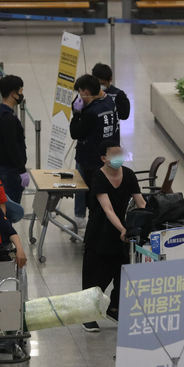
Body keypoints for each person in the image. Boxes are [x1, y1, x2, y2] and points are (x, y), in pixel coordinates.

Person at [81, 141, 146, 332]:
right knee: (95, 276)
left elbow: (140, 201)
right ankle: (88, 315)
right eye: (114, 154)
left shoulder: (129, 174)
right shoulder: (97, 177)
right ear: (104, 158)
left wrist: (148, 221)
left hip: (122, 232)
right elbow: (107, 209)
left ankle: (114, 308)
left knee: (122, 273)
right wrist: (122, 229)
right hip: (100, 231)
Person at [69, 74, 120, 230]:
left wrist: (77, 114)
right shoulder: (108, 102)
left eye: (79, 92)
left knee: (93, 198)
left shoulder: (90, 113)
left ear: (84, 92)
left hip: (91, 161)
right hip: (110, 156)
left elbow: (75, 133)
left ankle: (92, 228)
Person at [0, 75, 30, 204]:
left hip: (2, 167)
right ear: (13, 93)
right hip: (9, 171)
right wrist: (22, 170)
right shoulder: (8, 118)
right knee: (8, 211)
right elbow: (12, 146)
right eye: (20, 92)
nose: (21, 95)